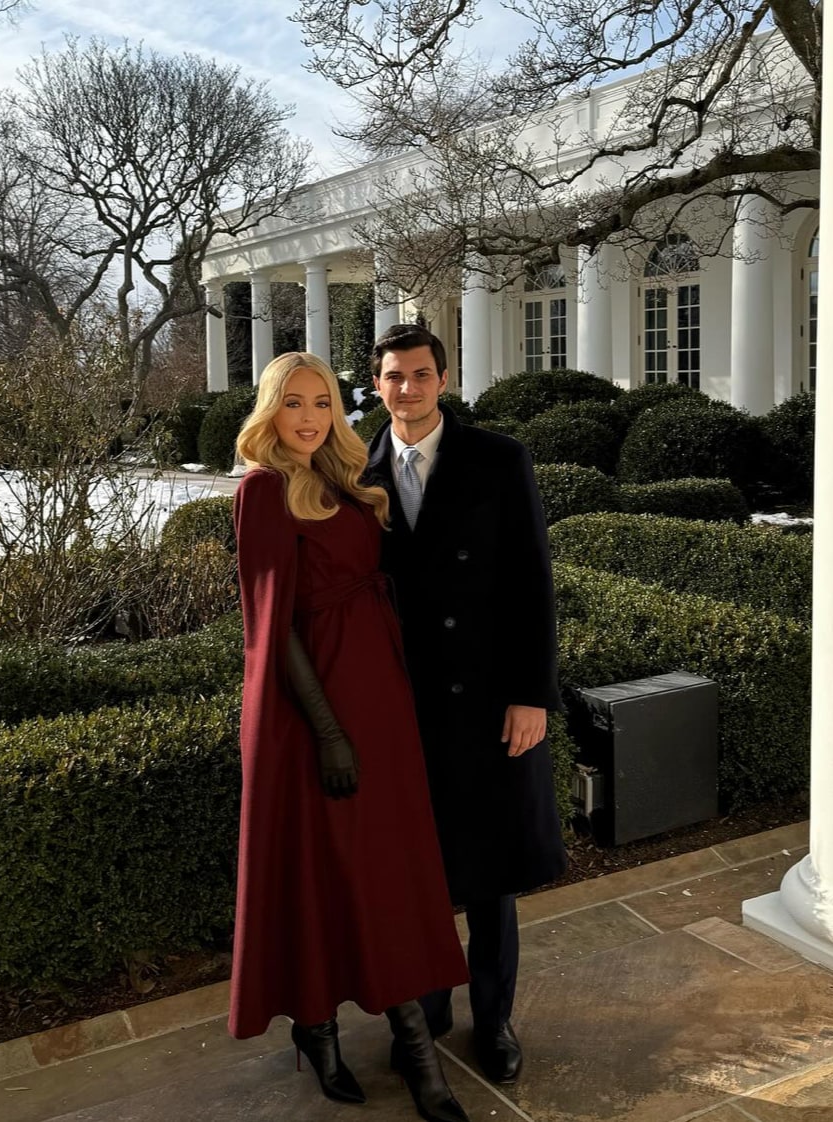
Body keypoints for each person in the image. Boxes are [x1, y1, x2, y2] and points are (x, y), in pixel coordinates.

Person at [228, 351, 470, 1122]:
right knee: (326, 872)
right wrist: (328, 732)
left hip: (381, 701)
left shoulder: (343, 479)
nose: (308, 418)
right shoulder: (264, 492)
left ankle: (405, 1050)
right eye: (293, 404)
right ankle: (324, 1030)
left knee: (385, 871)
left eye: (322, 404)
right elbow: (274, 627)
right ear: (270, 411)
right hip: (314, 713)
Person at [364, 323, 567, 1086]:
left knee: (490, 875)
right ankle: (428, 1009)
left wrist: (530, 695)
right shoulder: (358, 467)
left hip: (486, 701)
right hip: (401, 707)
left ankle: (495, 1018)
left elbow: (532, 583)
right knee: (415, 872)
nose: (407, 389)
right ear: (377, 384)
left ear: (442, 379)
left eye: (420, 374)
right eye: (393, 377)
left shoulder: (498, 458)